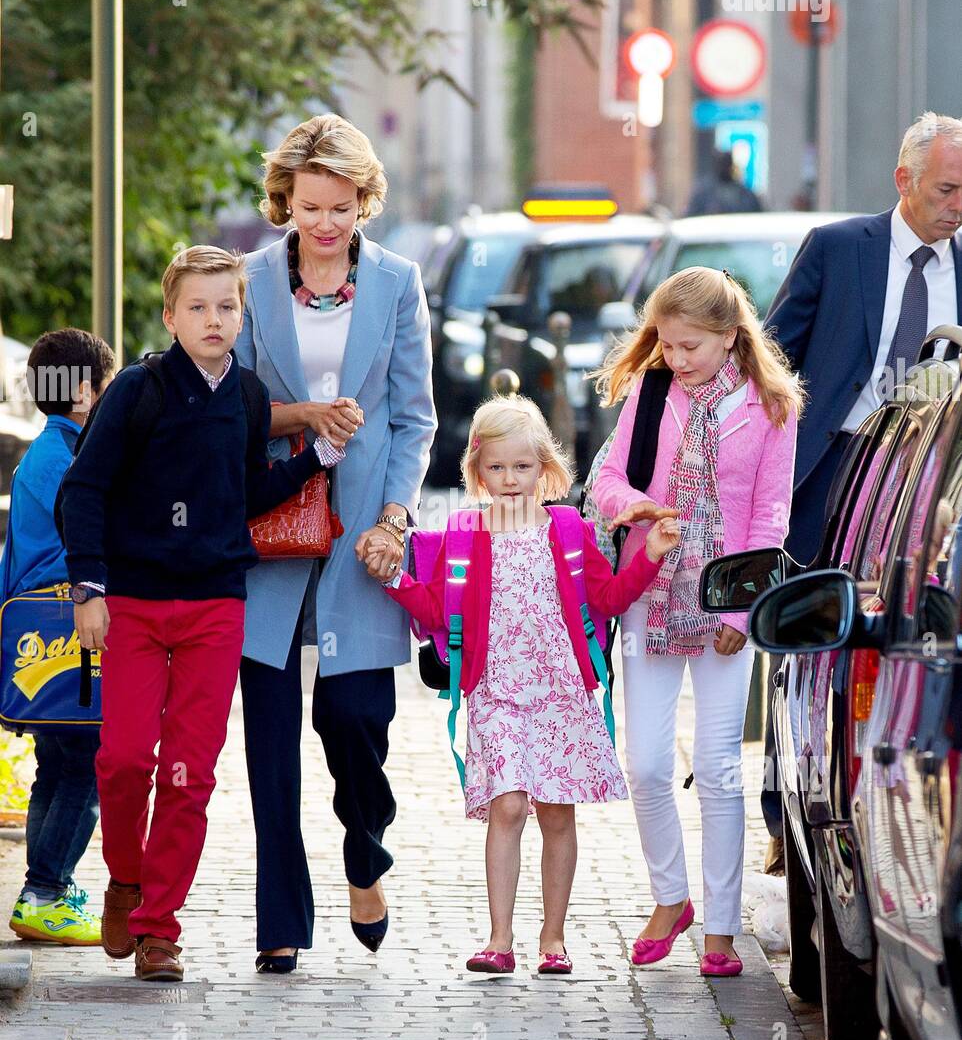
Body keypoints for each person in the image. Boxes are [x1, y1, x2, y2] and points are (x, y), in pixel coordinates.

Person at [60, 246, 330, 983]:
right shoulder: (137, 392)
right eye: (199, 307)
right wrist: (88, 589)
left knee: (188, 774)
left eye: (227, 307)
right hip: (133, 607)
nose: (214, 320)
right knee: (122, 761)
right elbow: (82, 491)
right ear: (171, 316)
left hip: (215, 606)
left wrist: (315, 461)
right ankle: (124, 878)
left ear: (242, 316)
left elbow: (245, 497)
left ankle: (158, 929)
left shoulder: (244, 397)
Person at [381, 396, 680, 975]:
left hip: (560, 694)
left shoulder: (567, 530)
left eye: (522, 466)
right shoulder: (464, 533)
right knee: (508, 807)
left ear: (543, 466)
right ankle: (499, 938)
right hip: (495, 694)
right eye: (496, 467)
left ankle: (554, 936)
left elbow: (609, 599)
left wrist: (650, 560)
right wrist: (396, 578)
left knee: (556, 814)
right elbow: (439, 610)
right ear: (477, 470)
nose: (510, 479)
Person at [235, 113, 435, 973]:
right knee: (271, 737)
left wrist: (396, 520)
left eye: (341, 207)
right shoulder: (245, 280)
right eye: (309, 206)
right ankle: (280, 921)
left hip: (361, 533)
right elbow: (230, 411)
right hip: (269, 524)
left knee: (354, 719)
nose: (324, 223)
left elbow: (414, 416)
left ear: (364, 201)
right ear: (285, 200)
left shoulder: (399, 283)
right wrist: (303, 419)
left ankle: (366, 846)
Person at [758, 110, 962, 868]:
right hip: (837, 467)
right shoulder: (840, 248)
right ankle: (788, 819)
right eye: (946, 188)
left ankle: (891, 786)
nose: (958, 204)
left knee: (907, 632)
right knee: (810, 632)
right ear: (903, 180)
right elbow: (772, 357)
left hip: (937, 477)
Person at [591, 267, 801, 976]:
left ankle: (719, 928)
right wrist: (635, 509)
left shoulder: (772, 406)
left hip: (725, 603)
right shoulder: (650, 393)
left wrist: (745, 606)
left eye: (690, 347)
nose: (676, 359)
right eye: (667, 345)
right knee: (647, 765)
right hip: (650, 592)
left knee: (717, 771)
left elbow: (771, 513)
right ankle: (669, 896)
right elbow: (606, 480)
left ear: (729, 336)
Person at [5, 329, 114, 947]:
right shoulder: (69, 461)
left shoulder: (42, 455)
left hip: (40, 641)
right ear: (81, 392)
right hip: (70, 635)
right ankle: (45, 889)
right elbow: (87, 543)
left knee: (56, 764)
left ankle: (46, 886)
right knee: (87, 767)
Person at [685, 149, 762, 217]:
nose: (723, 168)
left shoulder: (746, 195)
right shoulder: (703, 194)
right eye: (721, 164)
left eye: (726, 164)